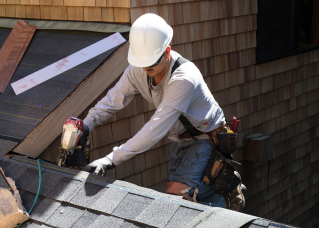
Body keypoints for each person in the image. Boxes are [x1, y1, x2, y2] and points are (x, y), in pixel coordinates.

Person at [82, 13, 245, 211]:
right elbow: (113, 100)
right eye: (143, 61)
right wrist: (85, 125)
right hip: (179, 138)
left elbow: (156, 128)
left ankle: (225, 204)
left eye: (152, 62)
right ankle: (214, 195)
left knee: (179, 192)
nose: (146, 67)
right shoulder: (138, 69)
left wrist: (111, 159)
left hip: (206, 138)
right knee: (176, 197)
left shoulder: (184, 78)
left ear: (167, 51)